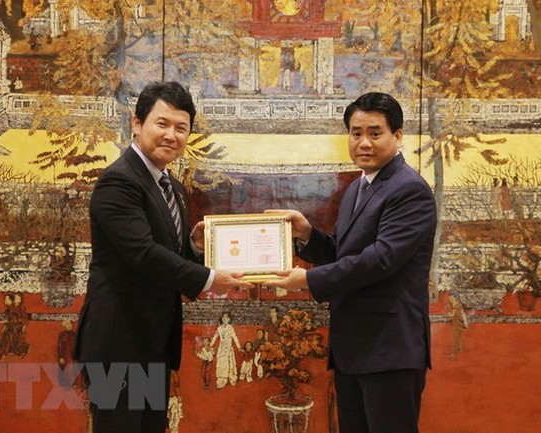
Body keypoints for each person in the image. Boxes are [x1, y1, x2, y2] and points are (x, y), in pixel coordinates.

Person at [72, 81, 252, 433]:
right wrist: (210, 279)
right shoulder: (118, 182)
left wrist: (197, 247)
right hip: (118, 346)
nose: (172, 135)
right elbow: (142, 253)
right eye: (162, 124)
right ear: (137, 124)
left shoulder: (171, 186)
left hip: (152, 342)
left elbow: (171, 253)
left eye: (181, 128)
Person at [265, 92, 437, 433]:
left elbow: (380, 260)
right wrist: (308, 235)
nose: (364, 143)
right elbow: (346, 254)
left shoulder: (409, 190)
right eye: (356, 133)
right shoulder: (361, 187)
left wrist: (308, 281)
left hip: (390, 349)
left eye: (375, 133)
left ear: (398, 136)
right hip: (356, 348)